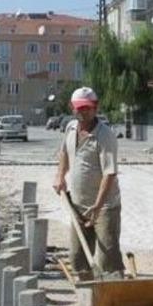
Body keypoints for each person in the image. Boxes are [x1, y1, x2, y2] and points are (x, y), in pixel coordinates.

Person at [52, 87, 125, 283]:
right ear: (72, 108)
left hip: (104, 208)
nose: (83, 112)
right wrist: (60, 176)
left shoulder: (105, 136)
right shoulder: (70, 128)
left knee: (107, 259)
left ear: (96, 107)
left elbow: (109, 173)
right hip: (78, 205)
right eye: (79, 108)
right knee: (77, 259)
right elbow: (64, 153)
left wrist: (98, 206)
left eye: (87, 108)